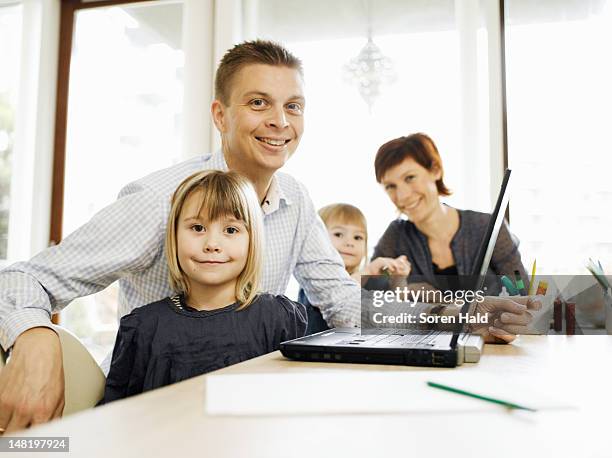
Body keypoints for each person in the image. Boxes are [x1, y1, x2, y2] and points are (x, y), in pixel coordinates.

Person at [0, 40, 536, 433]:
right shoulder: (160, 200)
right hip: (166, 417)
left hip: (251, 415)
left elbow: (346, 304)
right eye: (259, 103)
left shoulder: (295, 198)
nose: (280, 122)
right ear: (221, 115)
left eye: (293, 106)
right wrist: (34, 336)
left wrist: (460, 316)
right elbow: (22, 280)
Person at [101, 170, 306, 403]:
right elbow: (117, 415)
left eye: (231, 230)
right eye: (198, 228)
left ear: (252, 241)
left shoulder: (279, 319)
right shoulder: (143, 327)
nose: (212, 244)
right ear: (174, 235)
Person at [372, 133, 528, 294]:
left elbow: (521, 289)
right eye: (390, 186)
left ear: (435, 170)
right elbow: (369, 297)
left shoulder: (486, 226)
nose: (402, 195)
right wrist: (401, 290)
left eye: (410, 178)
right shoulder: (395, 236)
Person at [298, 203, 410, 334]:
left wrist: (398, 279)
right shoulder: (314, 278)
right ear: (318, 241)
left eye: (358, 237)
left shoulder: (372, 281)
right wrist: (369, 271)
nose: (350, 243)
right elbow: (340, 292)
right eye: (339, 234)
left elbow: (397, 308)